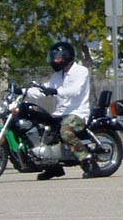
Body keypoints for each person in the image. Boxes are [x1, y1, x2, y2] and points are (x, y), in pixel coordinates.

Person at [27, 41, 101, 180]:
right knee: (44, 134)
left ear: (67, 56)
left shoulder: (81, 71)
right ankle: (53, 167)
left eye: (58, 57)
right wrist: (23, 91)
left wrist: (56, 91)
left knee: (65, 131)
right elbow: (44, 89)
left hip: (78, 113)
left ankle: (88, 162)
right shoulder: (57, 76)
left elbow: (74, 91)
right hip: (59, 113)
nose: (55, 60)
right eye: (53, 57)